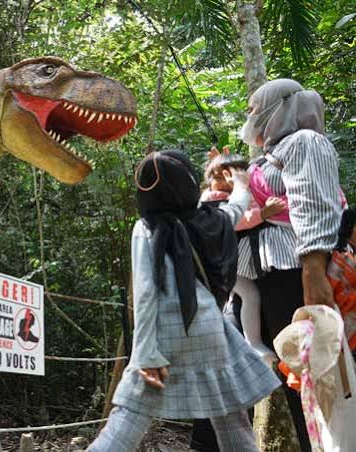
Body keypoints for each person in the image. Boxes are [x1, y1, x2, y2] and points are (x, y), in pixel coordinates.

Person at [88, 150, 280, 452]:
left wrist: (145, 354)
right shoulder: (207, 219)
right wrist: (240, 180)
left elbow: (146, 294)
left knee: (129, 419)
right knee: (231, 419)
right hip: (210, 331)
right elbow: (236, 207)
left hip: (164, 337)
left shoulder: (146, 229)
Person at [237, 79, 343, 451]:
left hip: (295, 273)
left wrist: (313, 270)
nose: (250, 116)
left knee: (318, 375)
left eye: (254, 108)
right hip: (268, 275)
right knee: (294, 374)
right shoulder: (272, 154)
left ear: (278, 108)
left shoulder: (304, 142)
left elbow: (313, 200)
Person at [201, 151, 286, 359]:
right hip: (221, 265)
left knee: (238, 299)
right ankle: (254, 343)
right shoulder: (212, 200)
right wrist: (265, 212)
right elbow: (237, 219)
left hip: (230, 263)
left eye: (229, 177)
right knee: (250, 295)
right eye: (218, 177)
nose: (224, 183)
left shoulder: (231, 196)